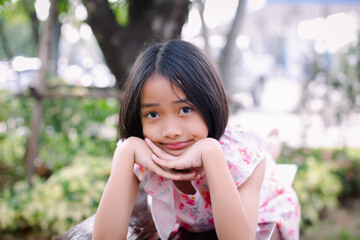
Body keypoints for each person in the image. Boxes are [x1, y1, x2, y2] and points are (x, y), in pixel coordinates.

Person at [92, 40, 300, 240]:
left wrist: (211, 153)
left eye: (185, 109)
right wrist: (125, 151)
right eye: (153, 114)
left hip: (265, 192)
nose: (171, 131)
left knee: (268, 155)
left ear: (209, 103)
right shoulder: (140, 154)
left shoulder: (244, 159)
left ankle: (273, 140)